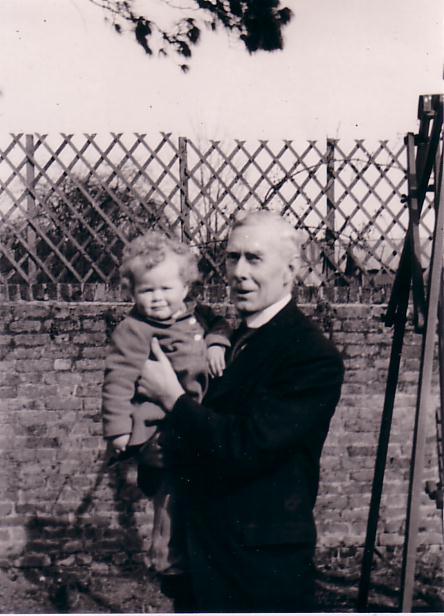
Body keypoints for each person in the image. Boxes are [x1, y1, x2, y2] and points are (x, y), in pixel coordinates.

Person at [137, 211, 344, 612]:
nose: (239, 272)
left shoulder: (310, 355)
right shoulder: (227, 340)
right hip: (200, 558)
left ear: (291, 270)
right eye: (233, 258)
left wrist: (171, 400)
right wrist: (153, 454)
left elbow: (246, 446)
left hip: (258, 570)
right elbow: (198, 435)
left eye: (255, 258)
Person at [101, 230, 230, 585]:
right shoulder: (134, 330)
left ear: (186, 288)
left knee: (197, 493)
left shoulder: (198, 316)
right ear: (132, 292)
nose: (156, 298)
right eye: (146, 290)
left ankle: (198, 556)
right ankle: (168, 562)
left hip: (199, 420)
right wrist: (118, 430)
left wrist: (217, 344)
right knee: (170, 496)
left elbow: (221, 325)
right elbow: (117, 380)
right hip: (161, 428)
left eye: (165, 288)